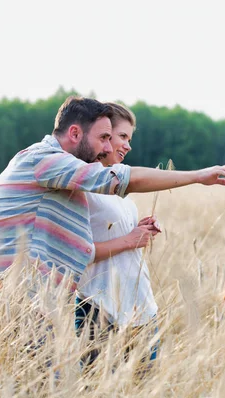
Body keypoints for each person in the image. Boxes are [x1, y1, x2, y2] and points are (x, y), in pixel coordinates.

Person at [0, 96, 225, 299]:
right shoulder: (45, 160)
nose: (107, 147)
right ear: (74, 133)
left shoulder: (59, 172)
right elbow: (121, 179)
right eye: (104, 138)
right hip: (17, 296)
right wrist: (197, 176)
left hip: (36, 297)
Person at [75, 102, 161, 368]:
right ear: (103, 134)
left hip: (142, 308)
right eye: (122, 136)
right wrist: (128, 240)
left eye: (129, 139)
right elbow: (76, 253)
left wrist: (140, 229)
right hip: (100, 309)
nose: (128, 145)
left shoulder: (119, 192)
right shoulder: (79, 185)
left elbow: (123, 237)